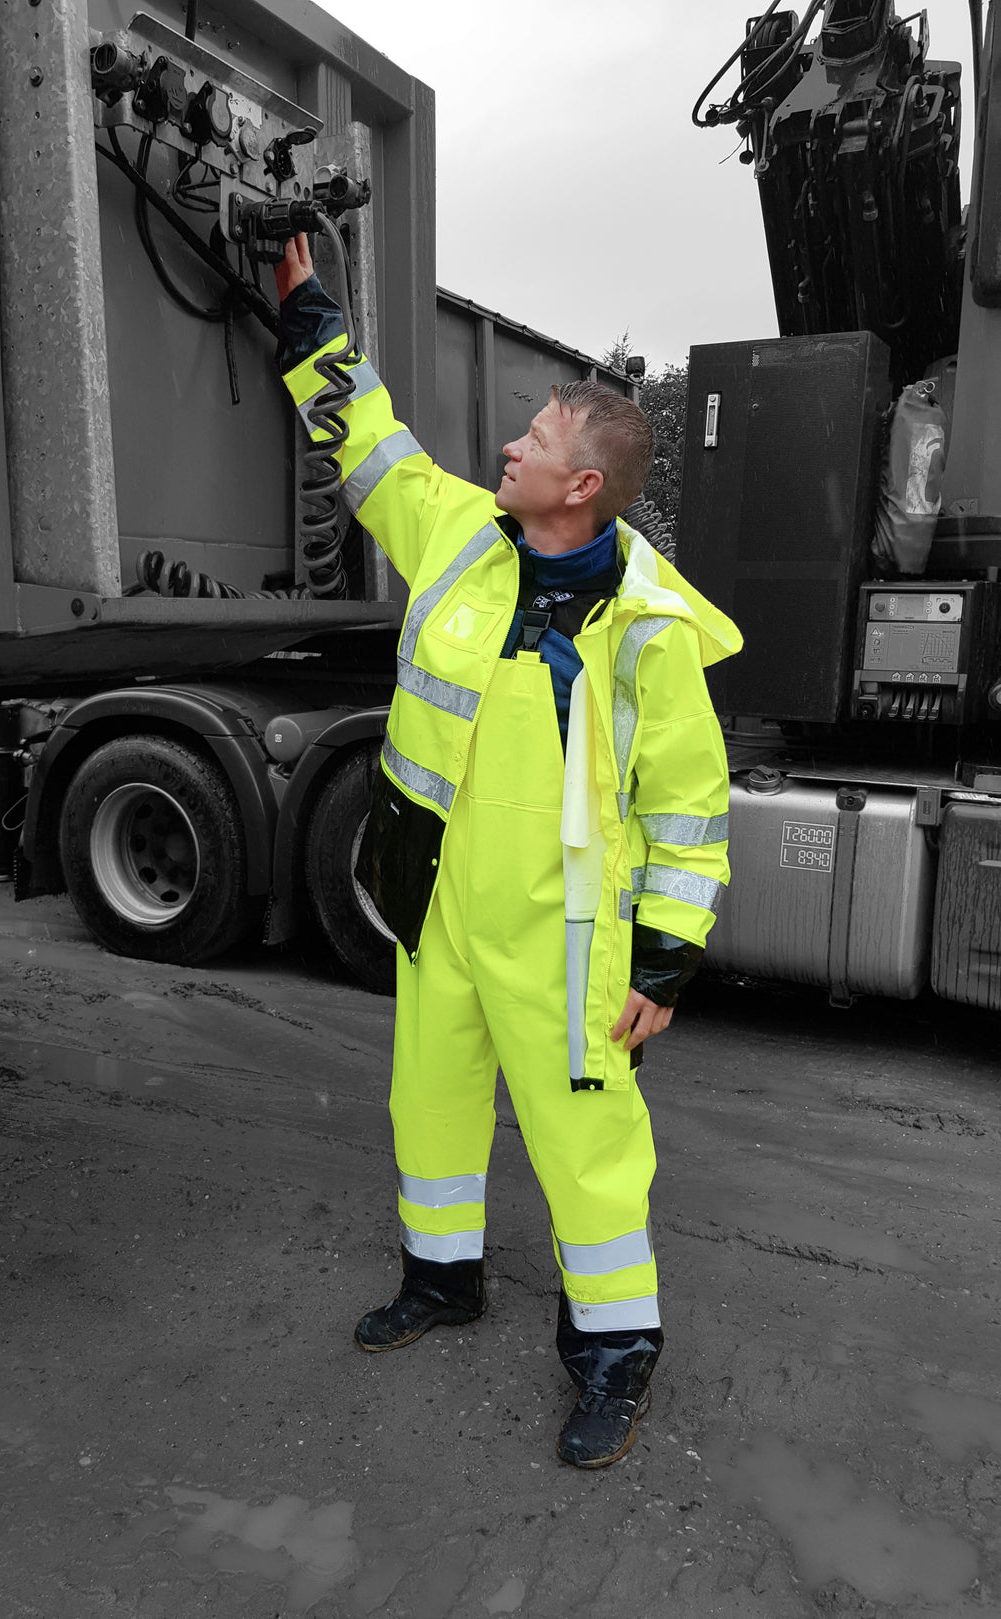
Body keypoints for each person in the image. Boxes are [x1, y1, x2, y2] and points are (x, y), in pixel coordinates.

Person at [275, 234, 740, 1470]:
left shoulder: (646, 631)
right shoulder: (462, 537)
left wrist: (667, 959)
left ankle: (613, 1353)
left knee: (585, 1150)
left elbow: (690, 806)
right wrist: (309, 322)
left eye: (533, 441)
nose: (508, 450)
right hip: (442, 908)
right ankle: (442, 1279)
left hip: (570, 937)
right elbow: (368, 447)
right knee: (426, 1104)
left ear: (581, 486)